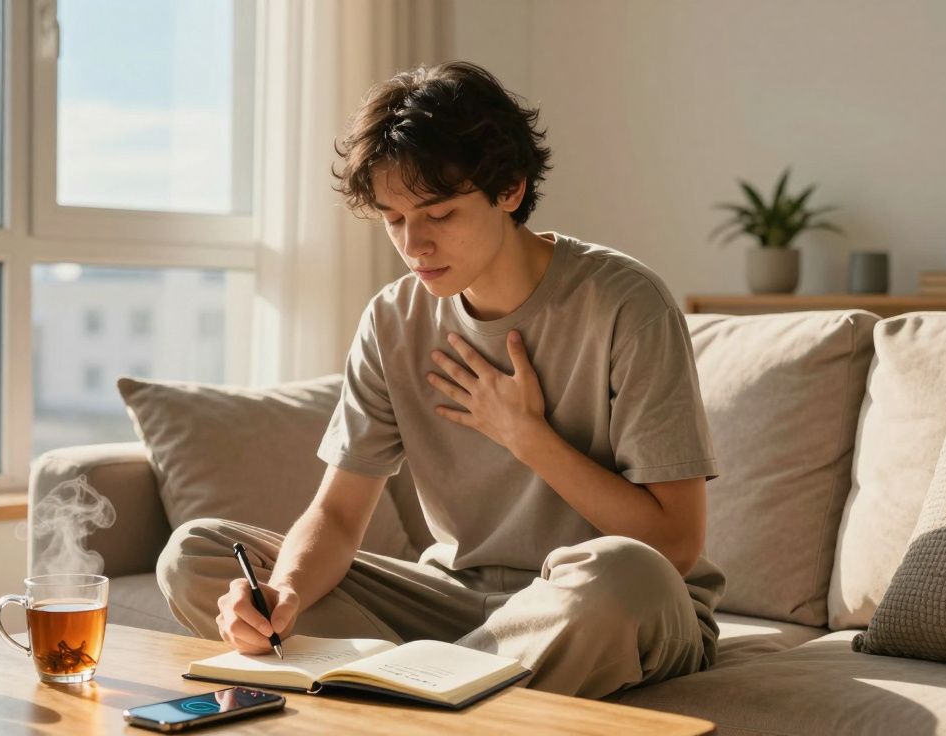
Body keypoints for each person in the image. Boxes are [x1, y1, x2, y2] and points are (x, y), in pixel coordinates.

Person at [157, 61, 725, 700]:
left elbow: (673, 546)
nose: (415, 244)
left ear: (509, 189)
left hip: (600, 602)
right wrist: (282, 594)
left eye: (440, 213)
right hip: (455, 600)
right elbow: (340, 515)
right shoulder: (393, 319)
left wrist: (526, 435)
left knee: (623, 574)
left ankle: (414, 688)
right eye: (394, 220)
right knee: (195, 552)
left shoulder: (626, 303)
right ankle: (444, 687)